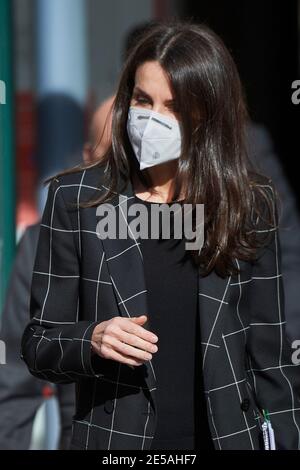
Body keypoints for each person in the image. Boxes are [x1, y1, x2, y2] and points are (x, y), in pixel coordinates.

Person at [21, 21, 300, 450]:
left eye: (174, 107)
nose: (152, 120)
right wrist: (91, 338)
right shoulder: (78, 199)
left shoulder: (248, 203)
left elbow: (271, 361)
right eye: (143, 99)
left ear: (207, 115)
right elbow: (38, 343)